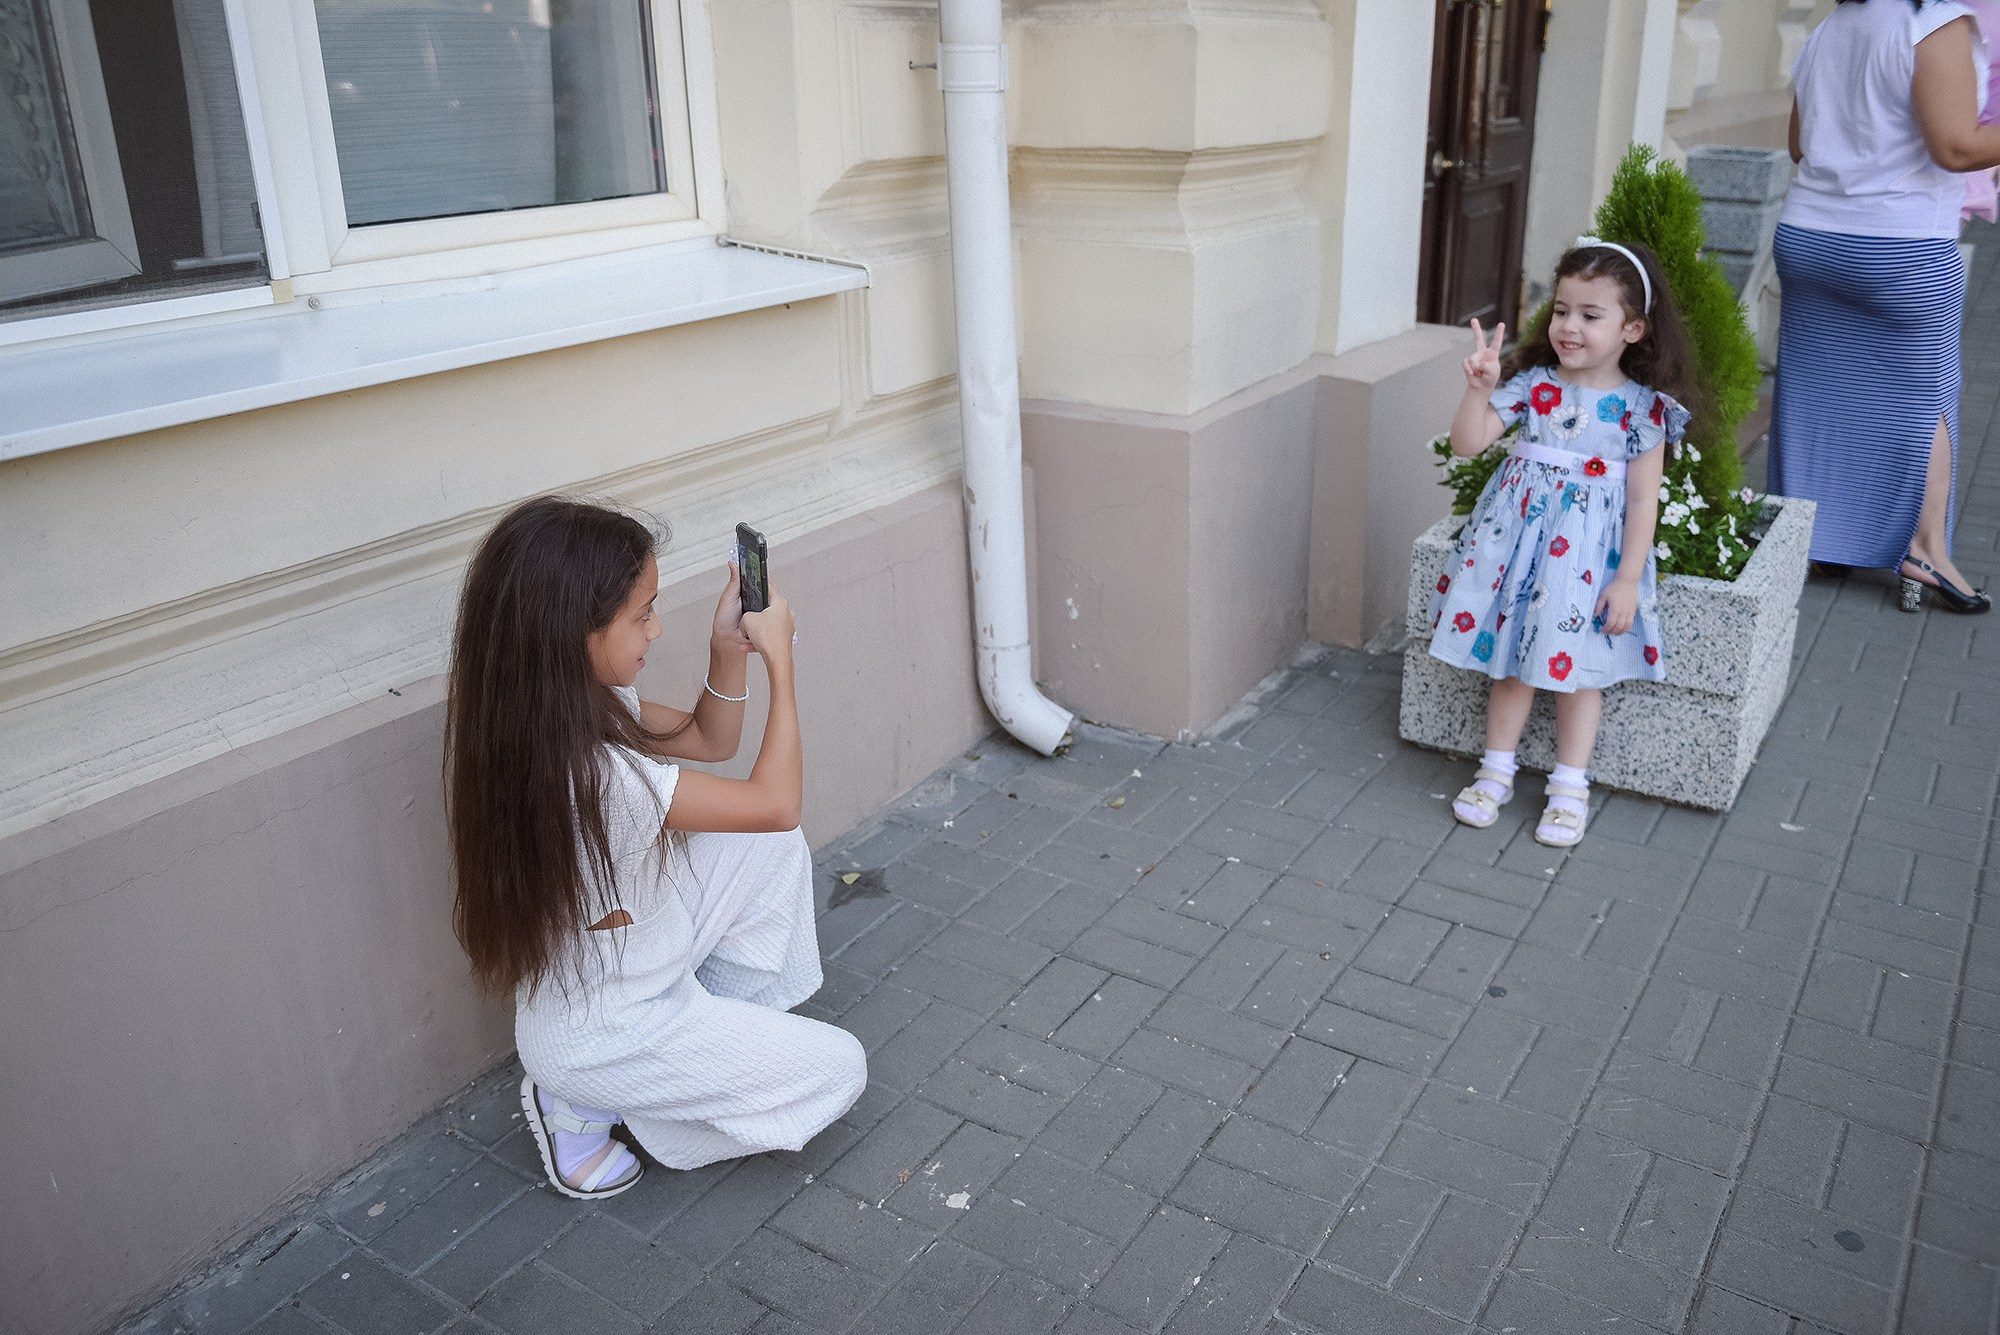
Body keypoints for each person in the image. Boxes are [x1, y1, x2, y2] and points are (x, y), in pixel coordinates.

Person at [444, 497, 865, 1199]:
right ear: (573, 629)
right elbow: (774, 800)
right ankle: (587, 1106)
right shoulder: (597, 777)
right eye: (642, 613)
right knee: (840, 1068)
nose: (655, 627)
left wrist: (726, 652)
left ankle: (683, 1054)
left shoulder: (558, 709)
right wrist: (782, 666)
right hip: (601, 1030)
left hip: (628, 966)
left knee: (769, 849)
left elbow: (710, 740)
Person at [1431, 240, 1695, 848]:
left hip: (1584, 564)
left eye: (1590, 315)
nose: (1569, 327)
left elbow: (1641, 501)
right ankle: (1495, 772)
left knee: (1578, 674)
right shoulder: (1534, 387)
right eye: (1561, 311)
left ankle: (1569, 786)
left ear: (1633, 329)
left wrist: (1627, 579)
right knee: (1510, 663)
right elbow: (1469, 445)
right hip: (1517, 556)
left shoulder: (1642, 411)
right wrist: (1479, 388)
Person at [1772, 0, 2000, 613]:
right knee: (1925, 400)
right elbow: (1955, 147)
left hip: (1807, 237)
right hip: (1901, 247)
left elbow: (1799, 145)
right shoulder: (1933, 21)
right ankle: (1924, 550)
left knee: (1819, 391)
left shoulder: (1829, 26)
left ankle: (1816, 537)